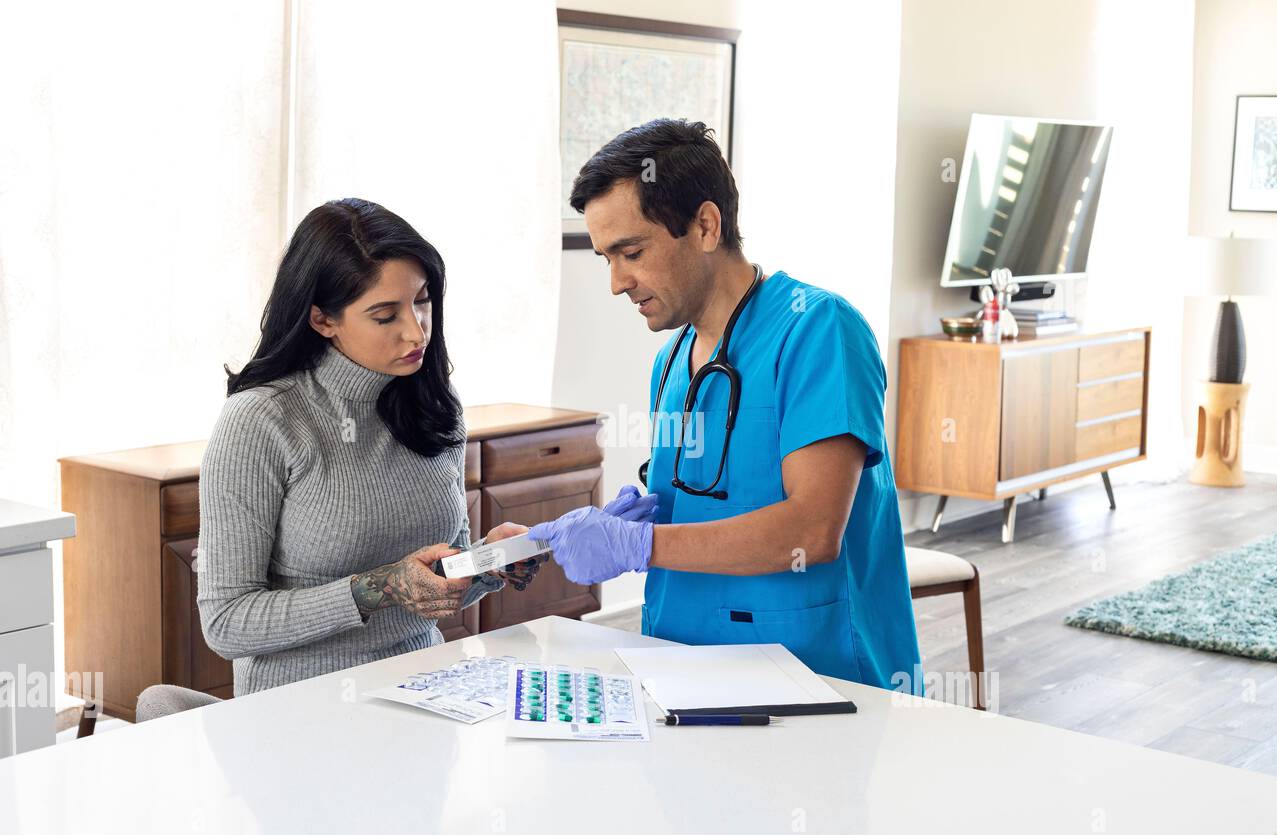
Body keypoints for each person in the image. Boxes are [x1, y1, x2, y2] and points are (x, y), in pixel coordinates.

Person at [529, 120, 921, 691]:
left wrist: (641, 544)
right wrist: (572, 535)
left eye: (630, 252)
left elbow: (812, 530)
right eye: (605, 259)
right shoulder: (673, 361)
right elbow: (707, 506)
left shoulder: (819, 331)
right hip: (678, 663)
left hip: (813, 674)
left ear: (706, 226)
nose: (617, 282)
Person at [198, 198, 540, 695]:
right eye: (385, 316)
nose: (416, 330)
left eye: (422, 301)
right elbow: (226, 623)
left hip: (424, 692)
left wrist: (486, 563)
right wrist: (377, 588)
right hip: (298, 709)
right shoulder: (261, 421)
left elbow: (432, 585)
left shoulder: (434, 404)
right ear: (322, 320)